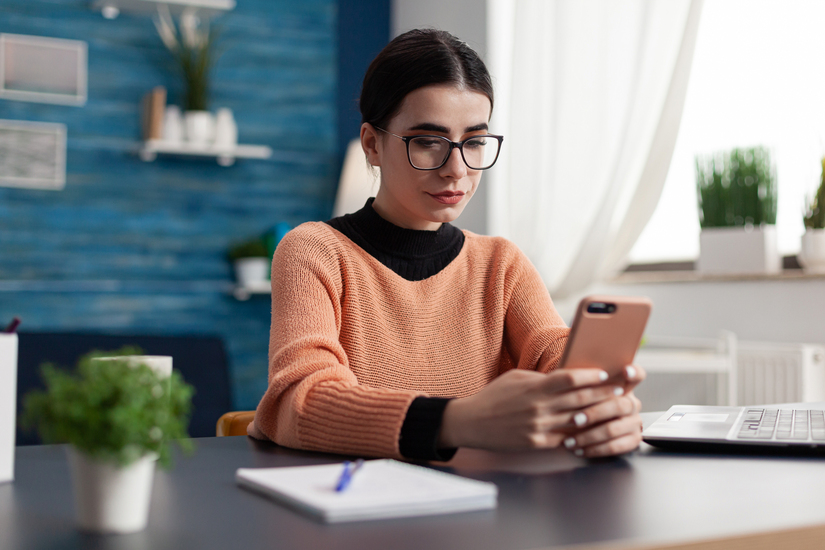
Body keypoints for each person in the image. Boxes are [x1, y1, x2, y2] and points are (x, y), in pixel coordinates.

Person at [249, 28, 645, 461]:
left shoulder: (502, 264)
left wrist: (602, 410)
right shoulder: (315, 250)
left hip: (483, 511)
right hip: (352, 511)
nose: (457, 169)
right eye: (427, 142)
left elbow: (552, 353)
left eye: (474, 142)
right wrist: (460, 421)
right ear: (371, 143)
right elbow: (299, 401)